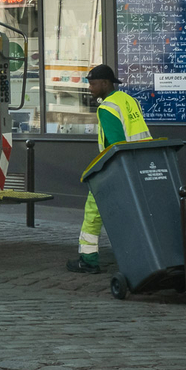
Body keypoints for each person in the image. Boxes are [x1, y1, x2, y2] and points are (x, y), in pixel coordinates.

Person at [67, 64, 151, 274]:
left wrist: (101, 171)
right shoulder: (128, 100)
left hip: (117, 169)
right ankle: (146, 254)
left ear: (105, 83)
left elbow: (115, 146)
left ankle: (89, 259)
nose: (90, 88)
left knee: (93, 214)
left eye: (93, 84)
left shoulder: (107, 108)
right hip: (140, 163)